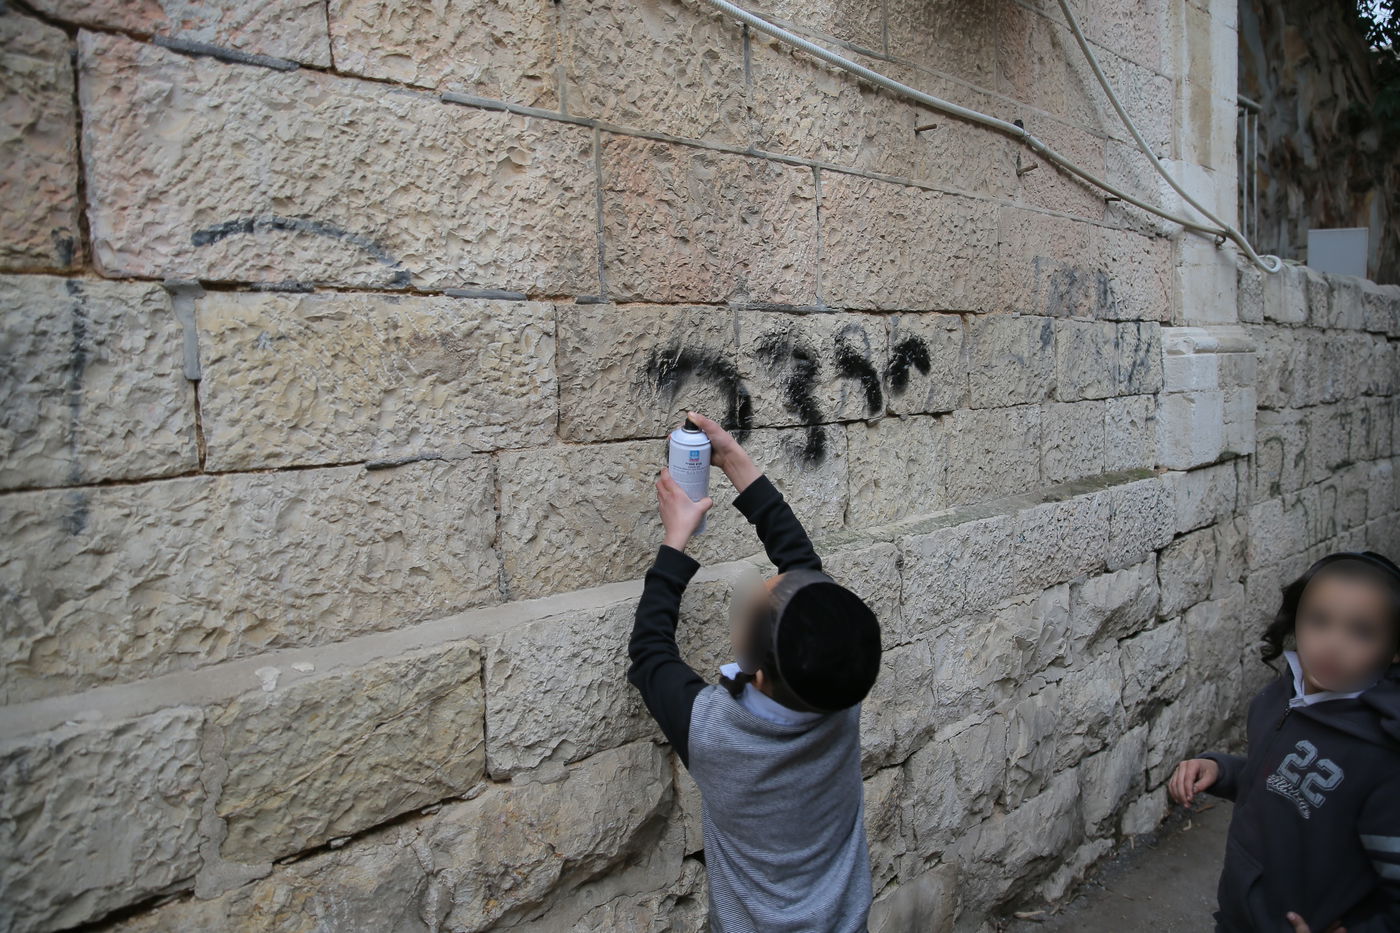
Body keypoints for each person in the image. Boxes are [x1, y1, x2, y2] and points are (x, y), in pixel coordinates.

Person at [627, 410, 882, 933]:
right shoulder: (837, 690)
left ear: (759, 674)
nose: (770, 581)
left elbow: (651, 653)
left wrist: (675, 539)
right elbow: (803, 569)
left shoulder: (716, 731)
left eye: (757, 606)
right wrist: (733, 459)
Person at [1169, 550, 1400, 933]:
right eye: (1319, 621)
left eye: (1361, 631)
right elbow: (1278, 779)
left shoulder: (1382, 753)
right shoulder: (1281, 698)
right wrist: (1219, 769)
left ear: (1394, 649)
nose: (1332, 644)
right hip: (1238, 914)